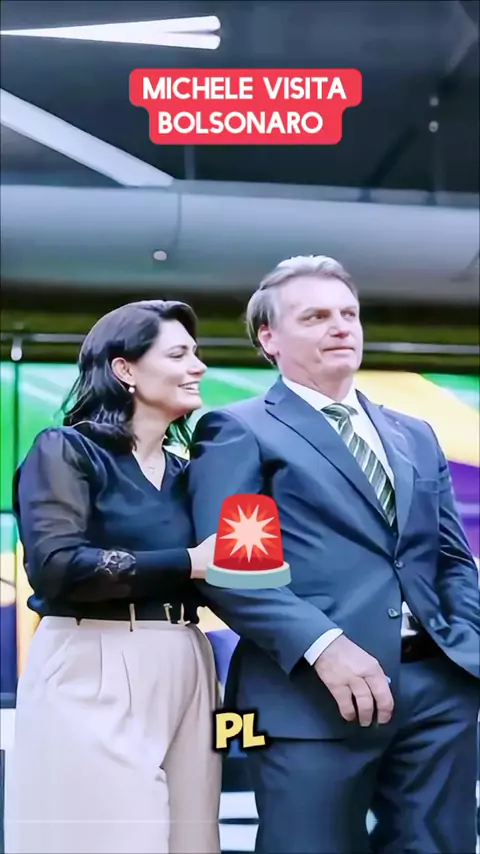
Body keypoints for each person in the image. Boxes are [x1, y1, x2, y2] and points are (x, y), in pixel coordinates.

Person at [187, 256, 480, 854]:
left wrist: (466, 645)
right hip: (307, 697)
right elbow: (234, 567)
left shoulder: (415, 434)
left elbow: (451, 557)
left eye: (349, 313)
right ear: (269, 337)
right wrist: (324, 646)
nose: (341, 326)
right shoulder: (241, 430)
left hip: (438, 693)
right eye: (316, 316)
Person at [7, 300, 221, 854]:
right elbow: (56, 567)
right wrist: (189, 562)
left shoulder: (190, 473)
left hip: (189, 658)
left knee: (192, 842)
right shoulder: (65, 450)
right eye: (178, 354)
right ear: (124, 368)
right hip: (94, 657)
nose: (197, 366)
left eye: (196, 353)